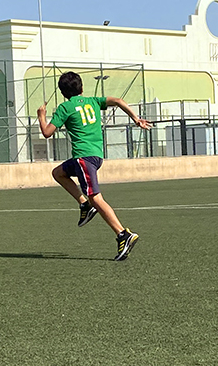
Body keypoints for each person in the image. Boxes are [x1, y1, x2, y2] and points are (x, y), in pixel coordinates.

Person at [37, 71, 152, 260]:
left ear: (63, 93)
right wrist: (135, 118)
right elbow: (118, 100)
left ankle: (123, 234)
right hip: (96, 156)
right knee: (58, 173)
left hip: (84, 158)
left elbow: (47, 132)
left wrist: (41, 116)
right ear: (82, 87)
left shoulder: (65, 107)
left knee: (96, 198)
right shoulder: (93, 101)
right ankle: (84, 205)